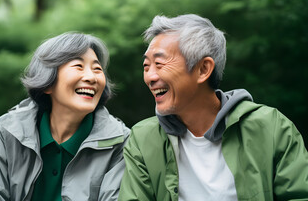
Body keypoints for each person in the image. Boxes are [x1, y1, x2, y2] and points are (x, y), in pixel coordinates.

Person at [118, 14, 308, 201]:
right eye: (146, 66)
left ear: (203, 69)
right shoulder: (143, 139)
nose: (150, 77)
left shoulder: (271, 127)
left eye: (159, 64)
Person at [0, 32, 130, 201]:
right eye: (78, 66)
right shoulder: (6, 132)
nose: (91, 78)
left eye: (97, 69)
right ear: (48, 82)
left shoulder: (121, 142)